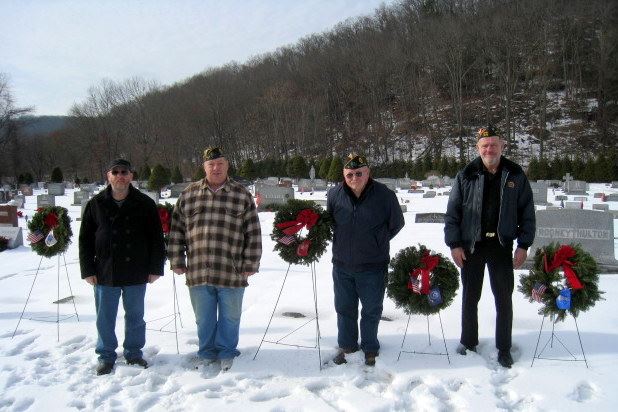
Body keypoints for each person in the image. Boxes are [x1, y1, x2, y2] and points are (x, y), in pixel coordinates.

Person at [444, 127, 536, 368]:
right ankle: (469, 342)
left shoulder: (514, 173)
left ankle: (504, 348)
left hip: (501, 245)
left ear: (502, 146)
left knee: (503, 298)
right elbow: (453, 212)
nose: (489, 150)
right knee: (470, 297)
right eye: (484, 146)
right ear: (478, 148)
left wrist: (523, 245)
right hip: (471, 246)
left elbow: (527, 212)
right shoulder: (466, 174)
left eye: (493, 145)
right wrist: (454, 244)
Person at [167, 147, 262, 372]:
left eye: (220, 163)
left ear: (227, 165)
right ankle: (207, 352)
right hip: (199, 270)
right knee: (204, 318)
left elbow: (253, 232)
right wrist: (177, 260)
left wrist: (250, 263)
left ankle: (227, 351)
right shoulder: (188, 195)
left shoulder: (241, 195)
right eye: (211, 164)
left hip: (232, 270)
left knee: (230, 317)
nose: (216, 168)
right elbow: (176, 230)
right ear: (204, 167)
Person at [79, 158, 166, 376]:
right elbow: (85, 240)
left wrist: (156, 267)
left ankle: (134, 353)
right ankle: (106, 355)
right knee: (105, 317)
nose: (120, 176)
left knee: (135, 315)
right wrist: (88, 270)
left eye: (124, 172)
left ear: (131, 176)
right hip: (105, 270)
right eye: (115, 172)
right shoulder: (96, 203)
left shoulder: (144, 203)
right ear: (108, 176)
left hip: (137, 269)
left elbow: (156, 237)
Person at [327, 153, 405, 366]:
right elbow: (332, 222)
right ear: (344, 175)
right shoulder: (334, 195)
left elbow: (396, 223)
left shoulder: (385, 195)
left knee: (371, 309)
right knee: (344, 308)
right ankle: (347, 345)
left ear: (368, 172)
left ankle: (370, 347)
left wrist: (376, 240)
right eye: (349, 174)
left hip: (373, 265)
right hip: (342, 265)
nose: (354, 177)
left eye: (359, 173)